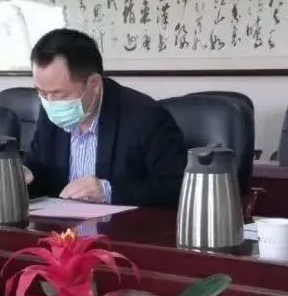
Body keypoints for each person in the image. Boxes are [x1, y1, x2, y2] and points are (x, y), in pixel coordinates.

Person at [22, 28, 187, 207]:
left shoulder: (146, 117)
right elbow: (37, 173)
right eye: (41, 92)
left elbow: (176, 188)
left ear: (94, 84)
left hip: (121, 224)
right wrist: (18, 176)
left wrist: (108, 192)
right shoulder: (49, 112)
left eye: (59, 94)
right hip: (59, 222)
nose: (49, 102)